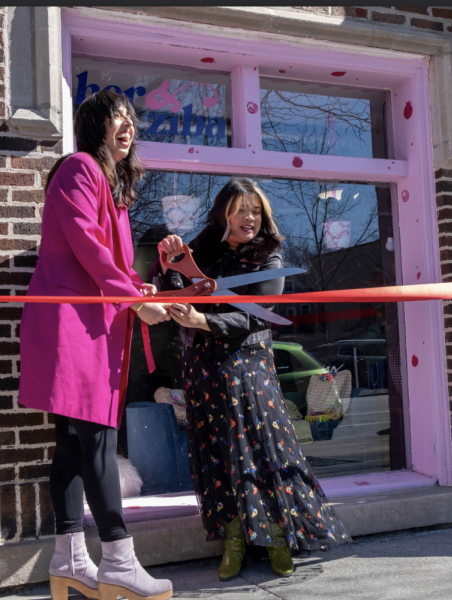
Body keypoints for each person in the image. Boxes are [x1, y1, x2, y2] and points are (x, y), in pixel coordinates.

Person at [18, 90, 174, 600]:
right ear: (93, 125)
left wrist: (138, 287)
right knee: (97, 439)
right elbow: (86, 244)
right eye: (116, 118)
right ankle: (119, 560)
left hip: (94, 325)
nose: (126, 126)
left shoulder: (114, 190)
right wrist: (133, 299)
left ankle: (69, 560)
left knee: (71, 441)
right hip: (75, 326)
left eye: (131, 119)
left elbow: (112, 262)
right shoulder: (80, 169)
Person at [156, 179, 351, 581]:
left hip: (248, 367)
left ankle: (277, 536)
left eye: (256, 210)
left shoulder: (269, 257)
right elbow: (176, 295)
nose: (250, 218)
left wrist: (205, 320)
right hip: (203, 369)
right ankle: (234, 540)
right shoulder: (202, 253)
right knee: (217, 455)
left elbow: (257, 315)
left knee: (263, 453)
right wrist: (167, 268)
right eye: (241, 209)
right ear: (223, 213)